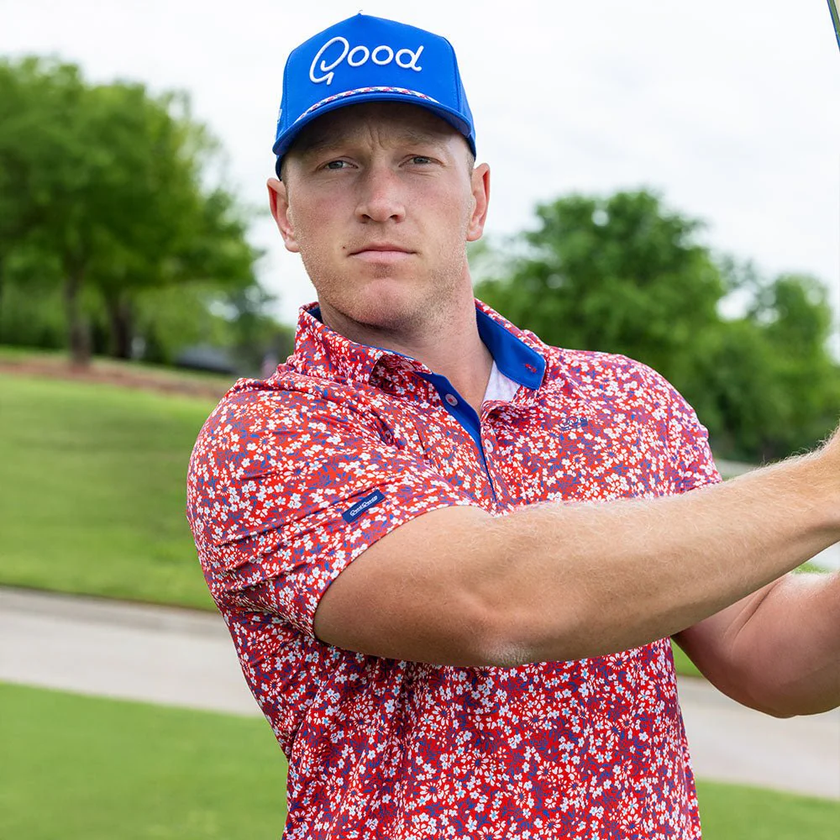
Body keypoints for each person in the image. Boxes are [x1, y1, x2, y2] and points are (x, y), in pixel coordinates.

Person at [186, 13, 840, 839]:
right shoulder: (263, 437)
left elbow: (765, 652)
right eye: (337, 165)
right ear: (285, 211)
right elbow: (493, 603)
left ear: (477, 200)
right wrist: (828, 484)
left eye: (419, 161)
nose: (380, 201)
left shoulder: (630, 400)